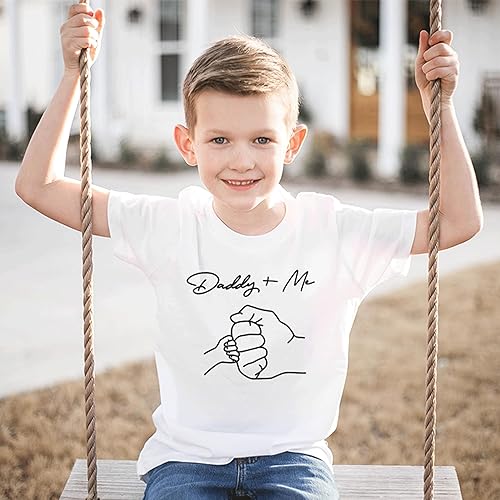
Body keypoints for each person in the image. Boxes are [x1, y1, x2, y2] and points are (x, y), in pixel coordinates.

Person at [15, 3, 483, 500]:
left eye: (262, 139)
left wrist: (441, 108)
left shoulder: (332, 231)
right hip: (185, 460)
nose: (241, 160)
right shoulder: (170, 226)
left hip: (294, 459)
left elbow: (457, 220)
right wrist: (72, 74)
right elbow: (39, 186)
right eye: (219, 139)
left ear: (293, 142)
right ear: (187, 144)